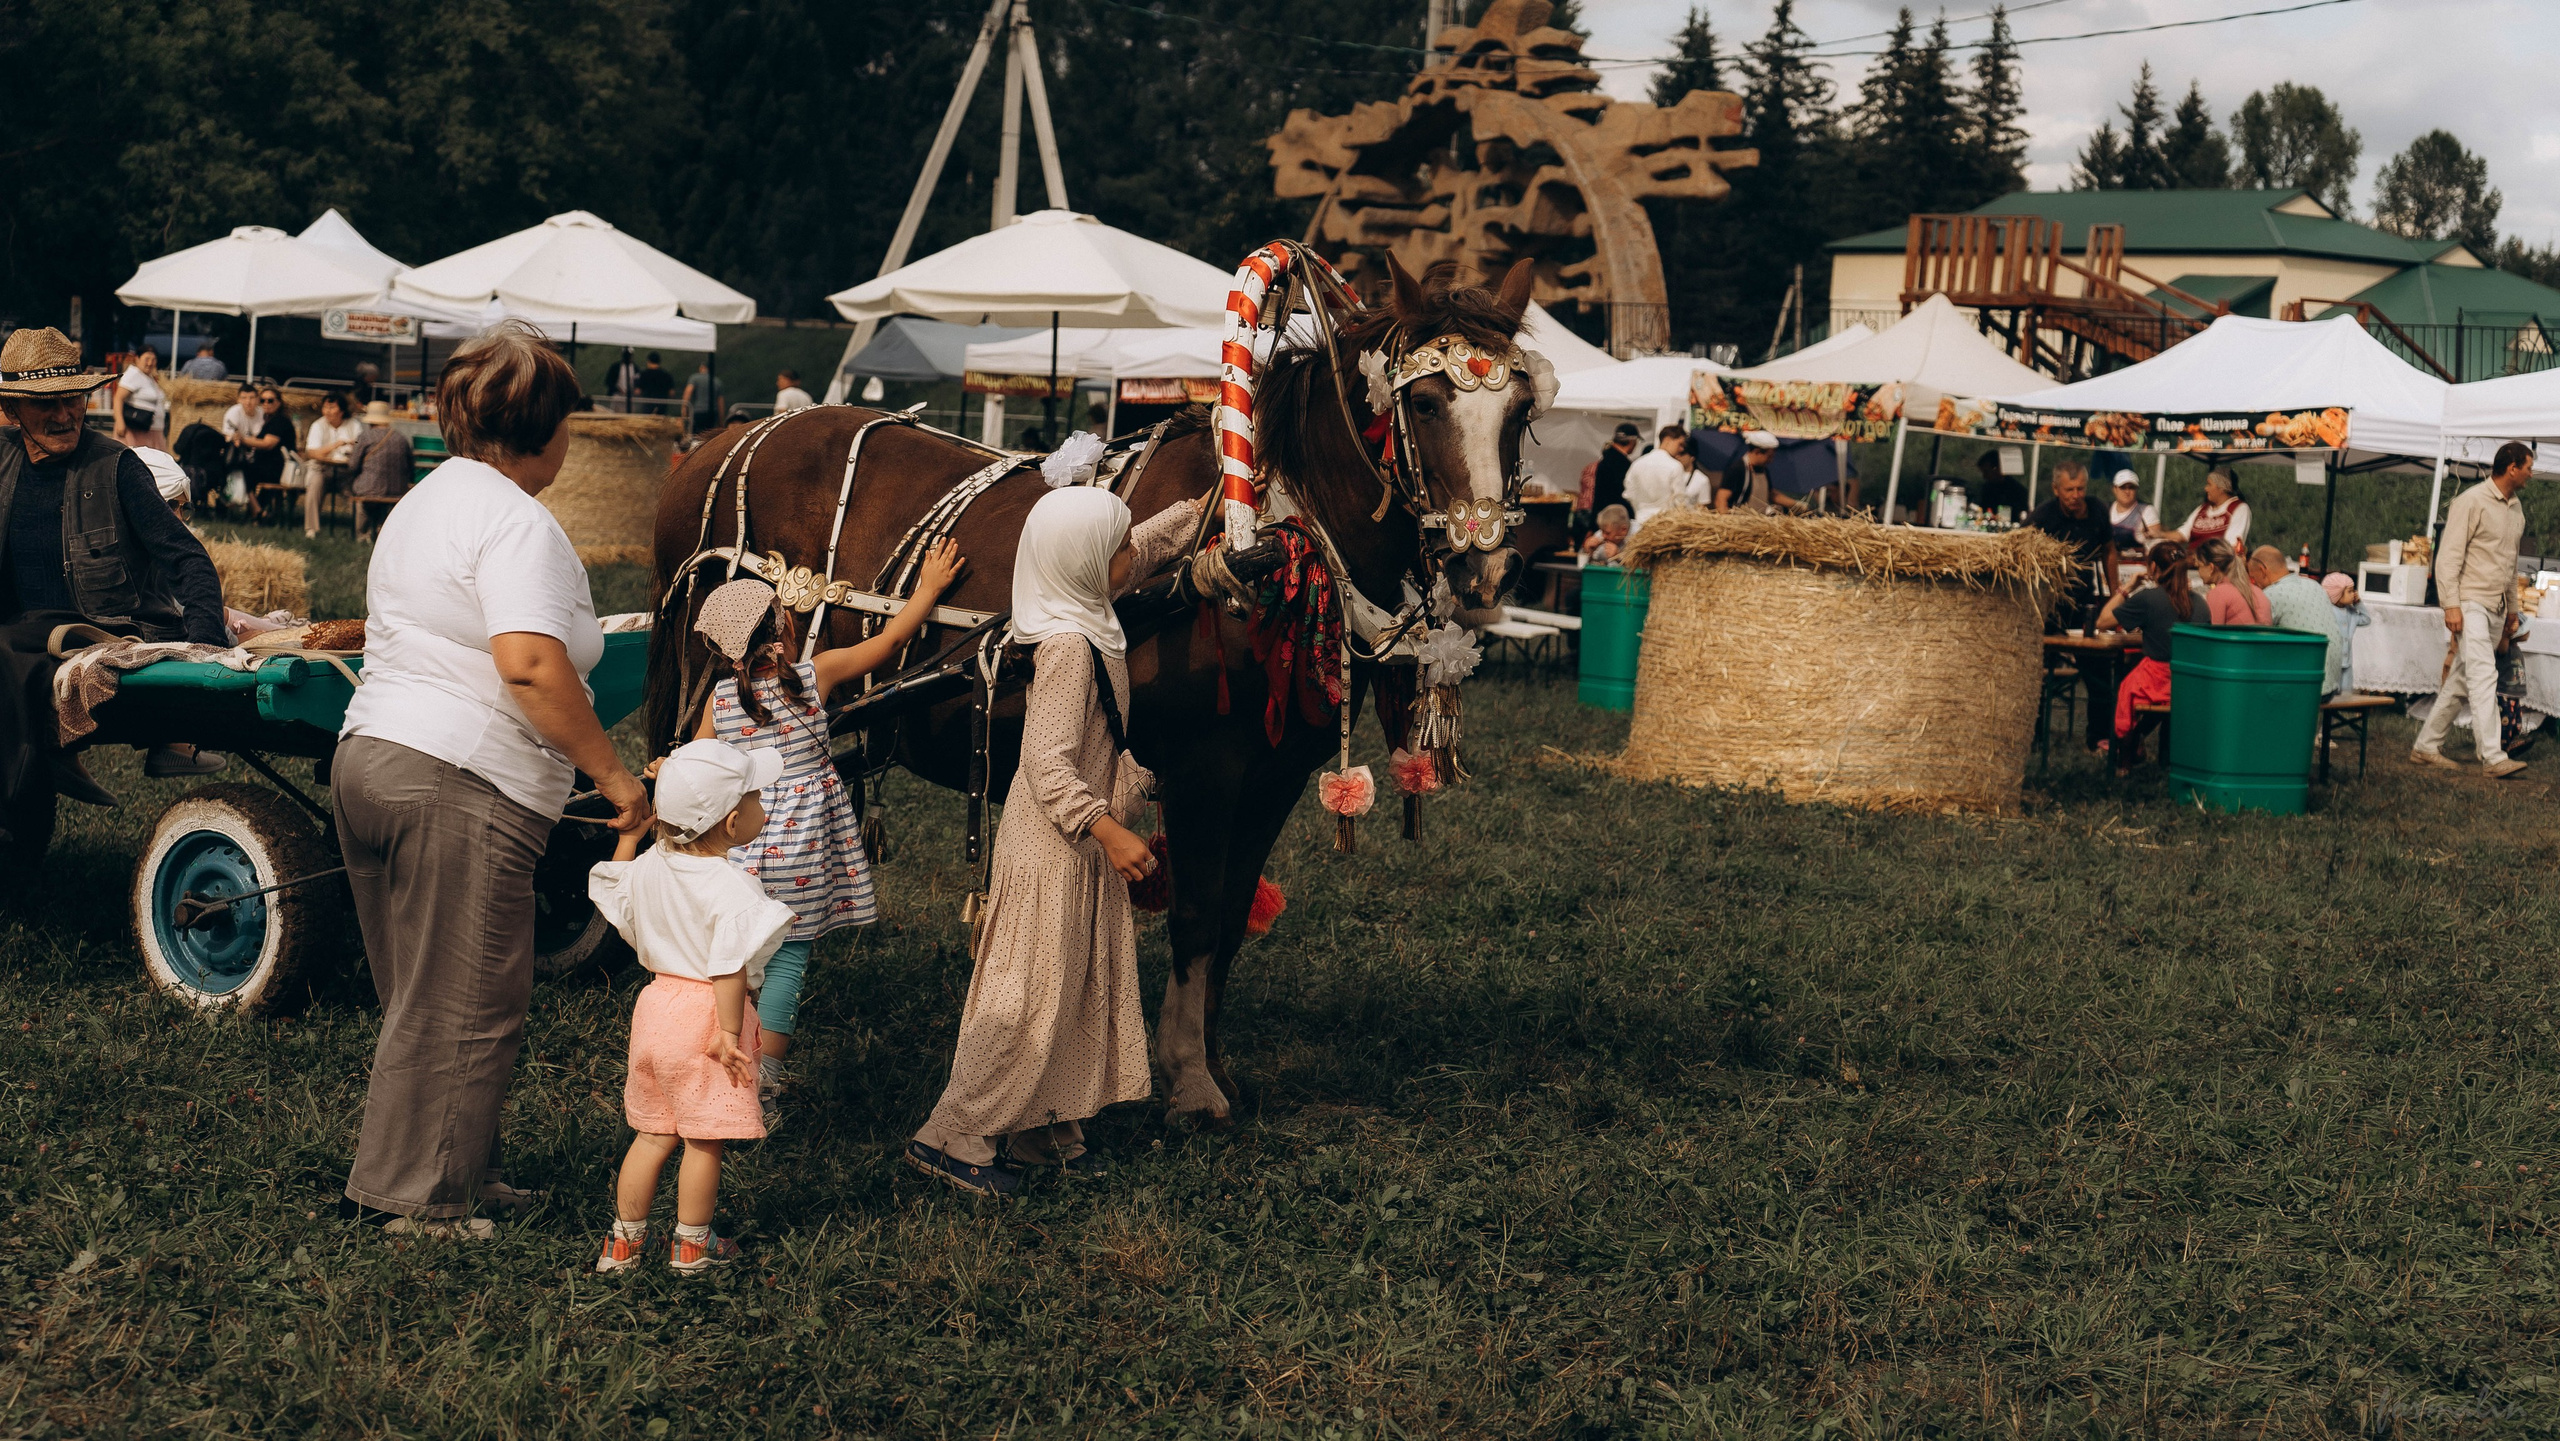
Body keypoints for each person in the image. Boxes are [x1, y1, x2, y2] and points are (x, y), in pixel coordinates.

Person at [333, 321, 654, 1238]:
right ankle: (421, 1204)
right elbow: (530, 665)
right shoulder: (519, 521)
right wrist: (616, 779)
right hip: (458, 776)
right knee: (468, 1001)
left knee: (422, 994)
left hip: (372, 755)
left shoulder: (425, 500)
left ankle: (456, 1170)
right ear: (546, 431)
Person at [909, 484, 1202, 1195]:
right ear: (1084, 562)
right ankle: (951, 1134)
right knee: (1027, 999)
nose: (1131, 555)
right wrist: (1109, 831)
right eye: (1117, 548)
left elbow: (1144, 548)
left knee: (1070, 991)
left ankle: (1041, 1126)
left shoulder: (1086, 603)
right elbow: (1045, 763)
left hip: (1077, 846)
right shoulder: (1070, 646)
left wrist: (1205, 506)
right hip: (1055, 844)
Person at [678, 539, 967, 1130]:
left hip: (747, 842)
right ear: (784, 626)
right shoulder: (816, 675)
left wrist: (666, 766)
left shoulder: (721, 699)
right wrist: (929, 588)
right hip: (804, 845)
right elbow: (889, 643)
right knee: (788, 960)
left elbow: (697, 761)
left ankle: (725, 1053)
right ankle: (767, 1081)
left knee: (741, 956)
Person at [0, 326, 232, 801]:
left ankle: (27, 786)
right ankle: (50, 763)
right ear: (11, 410)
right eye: (46, 404)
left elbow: (188, 559)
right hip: (20, 630)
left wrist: (207, 647)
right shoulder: (3, 460)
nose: (64, 415)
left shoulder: (116, 467)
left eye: (73, 400)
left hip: (102, 632)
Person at [589, 738, 792, 1274]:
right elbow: (728, 966)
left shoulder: (652, 866)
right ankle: (692, 1245)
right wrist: (728, 1031)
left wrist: (629, 839)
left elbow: (618, 891)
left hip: (656, 1009)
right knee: (704, 1140)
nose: (763, 806)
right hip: (706, 1016)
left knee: (654, 1133)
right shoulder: (731, 887)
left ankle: (622, 1244)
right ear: (732, 823)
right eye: (755, 798)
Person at [2413, 442, 2534, 777]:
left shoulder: (2516, 509)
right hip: (2470, 603)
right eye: (2528, 467)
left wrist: (2512, 610)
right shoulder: (2471, 501)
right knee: (2483, 675)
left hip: (2496, 607)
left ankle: (2426, 746)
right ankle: (2493, 757)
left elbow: (2510, 564)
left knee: (2462, 680)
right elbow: (2448, 558)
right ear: (2512, 467)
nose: (2531, 473)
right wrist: (2451, 605)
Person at [2028, 462, 2123, 751]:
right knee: (2035, 673)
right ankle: (2032, 737)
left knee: (2099, 672)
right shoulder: (2042, 517)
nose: (2076, 495)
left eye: (2080, 488)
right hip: (2048, 606)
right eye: (2069, 490)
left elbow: (2109, 550)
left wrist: (2115, 594)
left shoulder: (2097, 510)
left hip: (2084, 602)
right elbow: (2018, 550)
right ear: (2056, 489)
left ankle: (2098, 738)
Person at [2097, 540, 2211, 771]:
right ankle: (2159, 753)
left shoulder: (2149, 598)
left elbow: (2103, 622)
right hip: (2190, 683)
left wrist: (2127, 587)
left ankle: (2125, 759)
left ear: (2153, 568)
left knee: (2127, 687)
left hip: (2156, 682)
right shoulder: (2200, 603)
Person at [2253, 546, 2341, 695]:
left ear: (2262, 570)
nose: (2256, 585)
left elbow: (2257, 638)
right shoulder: (2314, 585)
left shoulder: (2271, 594)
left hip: (2304, 689)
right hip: (2330, 685)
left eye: (2254, 579)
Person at [341, 400, 415, 543]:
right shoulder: (401, 438)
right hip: (397, 489)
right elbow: (410, 467)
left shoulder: (363, 437)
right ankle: (382, 528)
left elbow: (353, 465)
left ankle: (362, 533)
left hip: (369, 488)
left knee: (357, 490)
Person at [1623, 424, 1708, 533]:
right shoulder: (1675, 466)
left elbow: (1628, 493)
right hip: (1665, 527)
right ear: (1668, 440)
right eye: (1680, 444)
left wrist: (1638, 508)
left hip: (1640, 523)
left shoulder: (1637, 463)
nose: (1681, 449)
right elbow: (1680, 500)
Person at [301, 391, 363, 538]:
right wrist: (336, 444)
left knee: (357, 493)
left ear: (341, 411)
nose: (327, 411)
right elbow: (312, 453)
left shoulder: (353, 425)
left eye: (332, 408)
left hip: (347, 471)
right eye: (325, 407)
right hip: (322, 468)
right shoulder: (318, 425)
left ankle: (361, 531)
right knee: (314, 485)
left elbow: (360, 445)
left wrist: (351, 447)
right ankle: (311, 528)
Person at [2194, 538, 2269, 625]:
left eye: (2199, 566)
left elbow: (2213, 631)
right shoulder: (2258, 591)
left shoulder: (2218, 593)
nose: (2198, 572)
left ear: (2211, 567)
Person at [113, 348, 169, 451]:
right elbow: (118, 398)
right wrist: (120, 422)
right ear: (137, 359)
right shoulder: (133, 374)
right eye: (147, 359)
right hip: (135, 431)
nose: (150, 363)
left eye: (153, 360)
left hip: (152, 430)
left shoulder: (149, 377)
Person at [2178, 469, 2250, 549]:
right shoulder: (2203, 509)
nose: (2206, 488)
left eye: (2209, 484)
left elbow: (2230, 546)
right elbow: (2182, 534)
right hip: (2191, 555)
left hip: (2215, 556)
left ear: (2222, 488)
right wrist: (2165, 535)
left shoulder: (2239, 508)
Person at [2324, 572, 2370, 696]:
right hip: (2332, 660)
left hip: (2347, 661)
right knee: (2332, 691)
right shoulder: (2329, 611)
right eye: (2350, 591)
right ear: (2337, 593)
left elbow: (2366, 619)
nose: (2354, 594)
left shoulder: (2351, 612)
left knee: (2346, 692)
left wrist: (2358, 603)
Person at [1716, 430, 1780, 514]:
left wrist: (1795, 505)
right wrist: (1726, 519)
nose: (1771, 460)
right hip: (1740, 519)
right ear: (1757, 452)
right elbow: (1721, 499)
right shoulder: (1737, 469)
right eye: (1769, 457)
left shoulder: (1763, 470)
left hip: (1759, 519)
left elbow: (1771, 494)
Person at [1591, 423, 1640, 520]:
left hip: (1603, 516)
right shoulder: (1623, 464)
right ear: (1632, 441)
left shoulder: (1606, 459)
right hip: (1615, 519)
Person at [2107, 470, 2161, 553]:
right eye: (2123, 487)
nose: (2127, 492)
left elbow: (2155, 547)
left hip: (2137, 560)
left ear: (2136, 489)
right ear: (2115, 489)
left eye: (2131, 487)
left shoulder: (2147, 511)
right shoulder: (2106, 509)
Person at [1971, 448, 2028, 517]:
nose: (1984, 476)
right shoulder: (1986, 489)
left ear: (1996, 469)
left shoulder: (2017, 491)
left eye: (1986, 472)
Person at [682, 362, 722, 434]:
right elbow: (720, 403)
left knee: (695, 435)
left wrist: (684, 409)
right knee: (710, 435)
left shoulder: (694, 378)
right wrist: (721, 421)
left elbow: (688, 393)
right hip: (712, 413)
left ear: (702, 367)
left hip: (698, 412)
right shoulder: (717, 381)